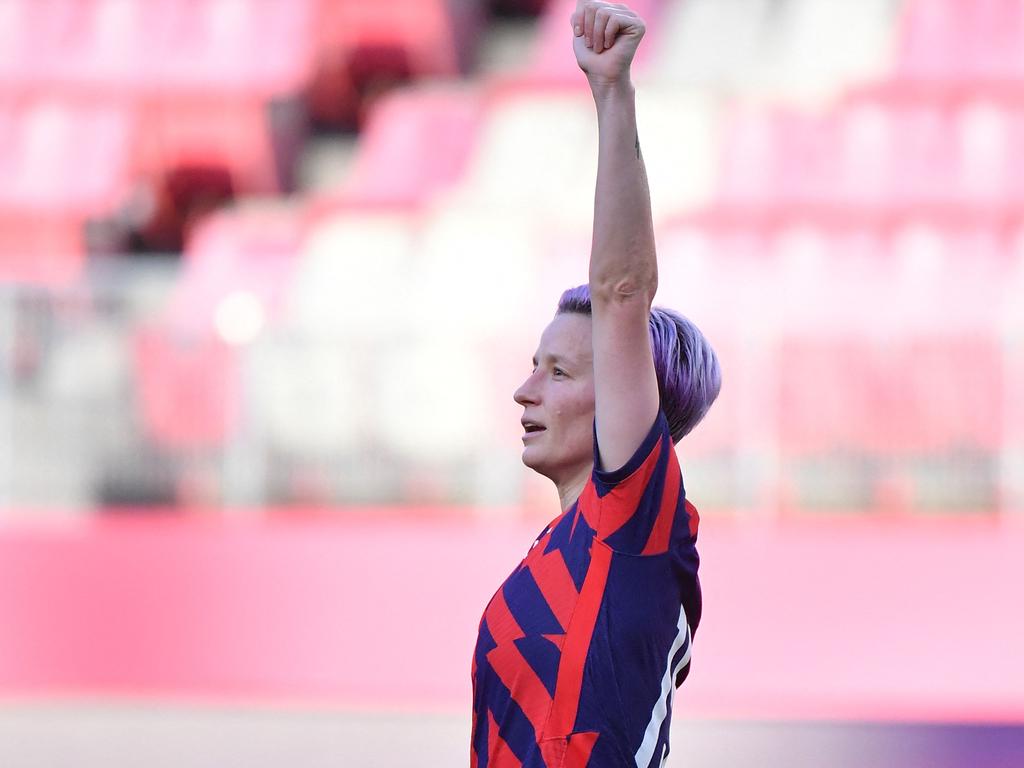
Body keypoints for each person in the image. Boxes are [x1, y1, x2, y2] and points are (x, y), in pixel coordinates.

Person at [470, 2, 721, 766]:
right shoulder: (558, 549)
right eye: (532, 366)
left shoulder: (634, 522)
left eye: (558, 371)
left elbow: (619, 291)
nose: (524, 392)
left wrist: (612, 95)